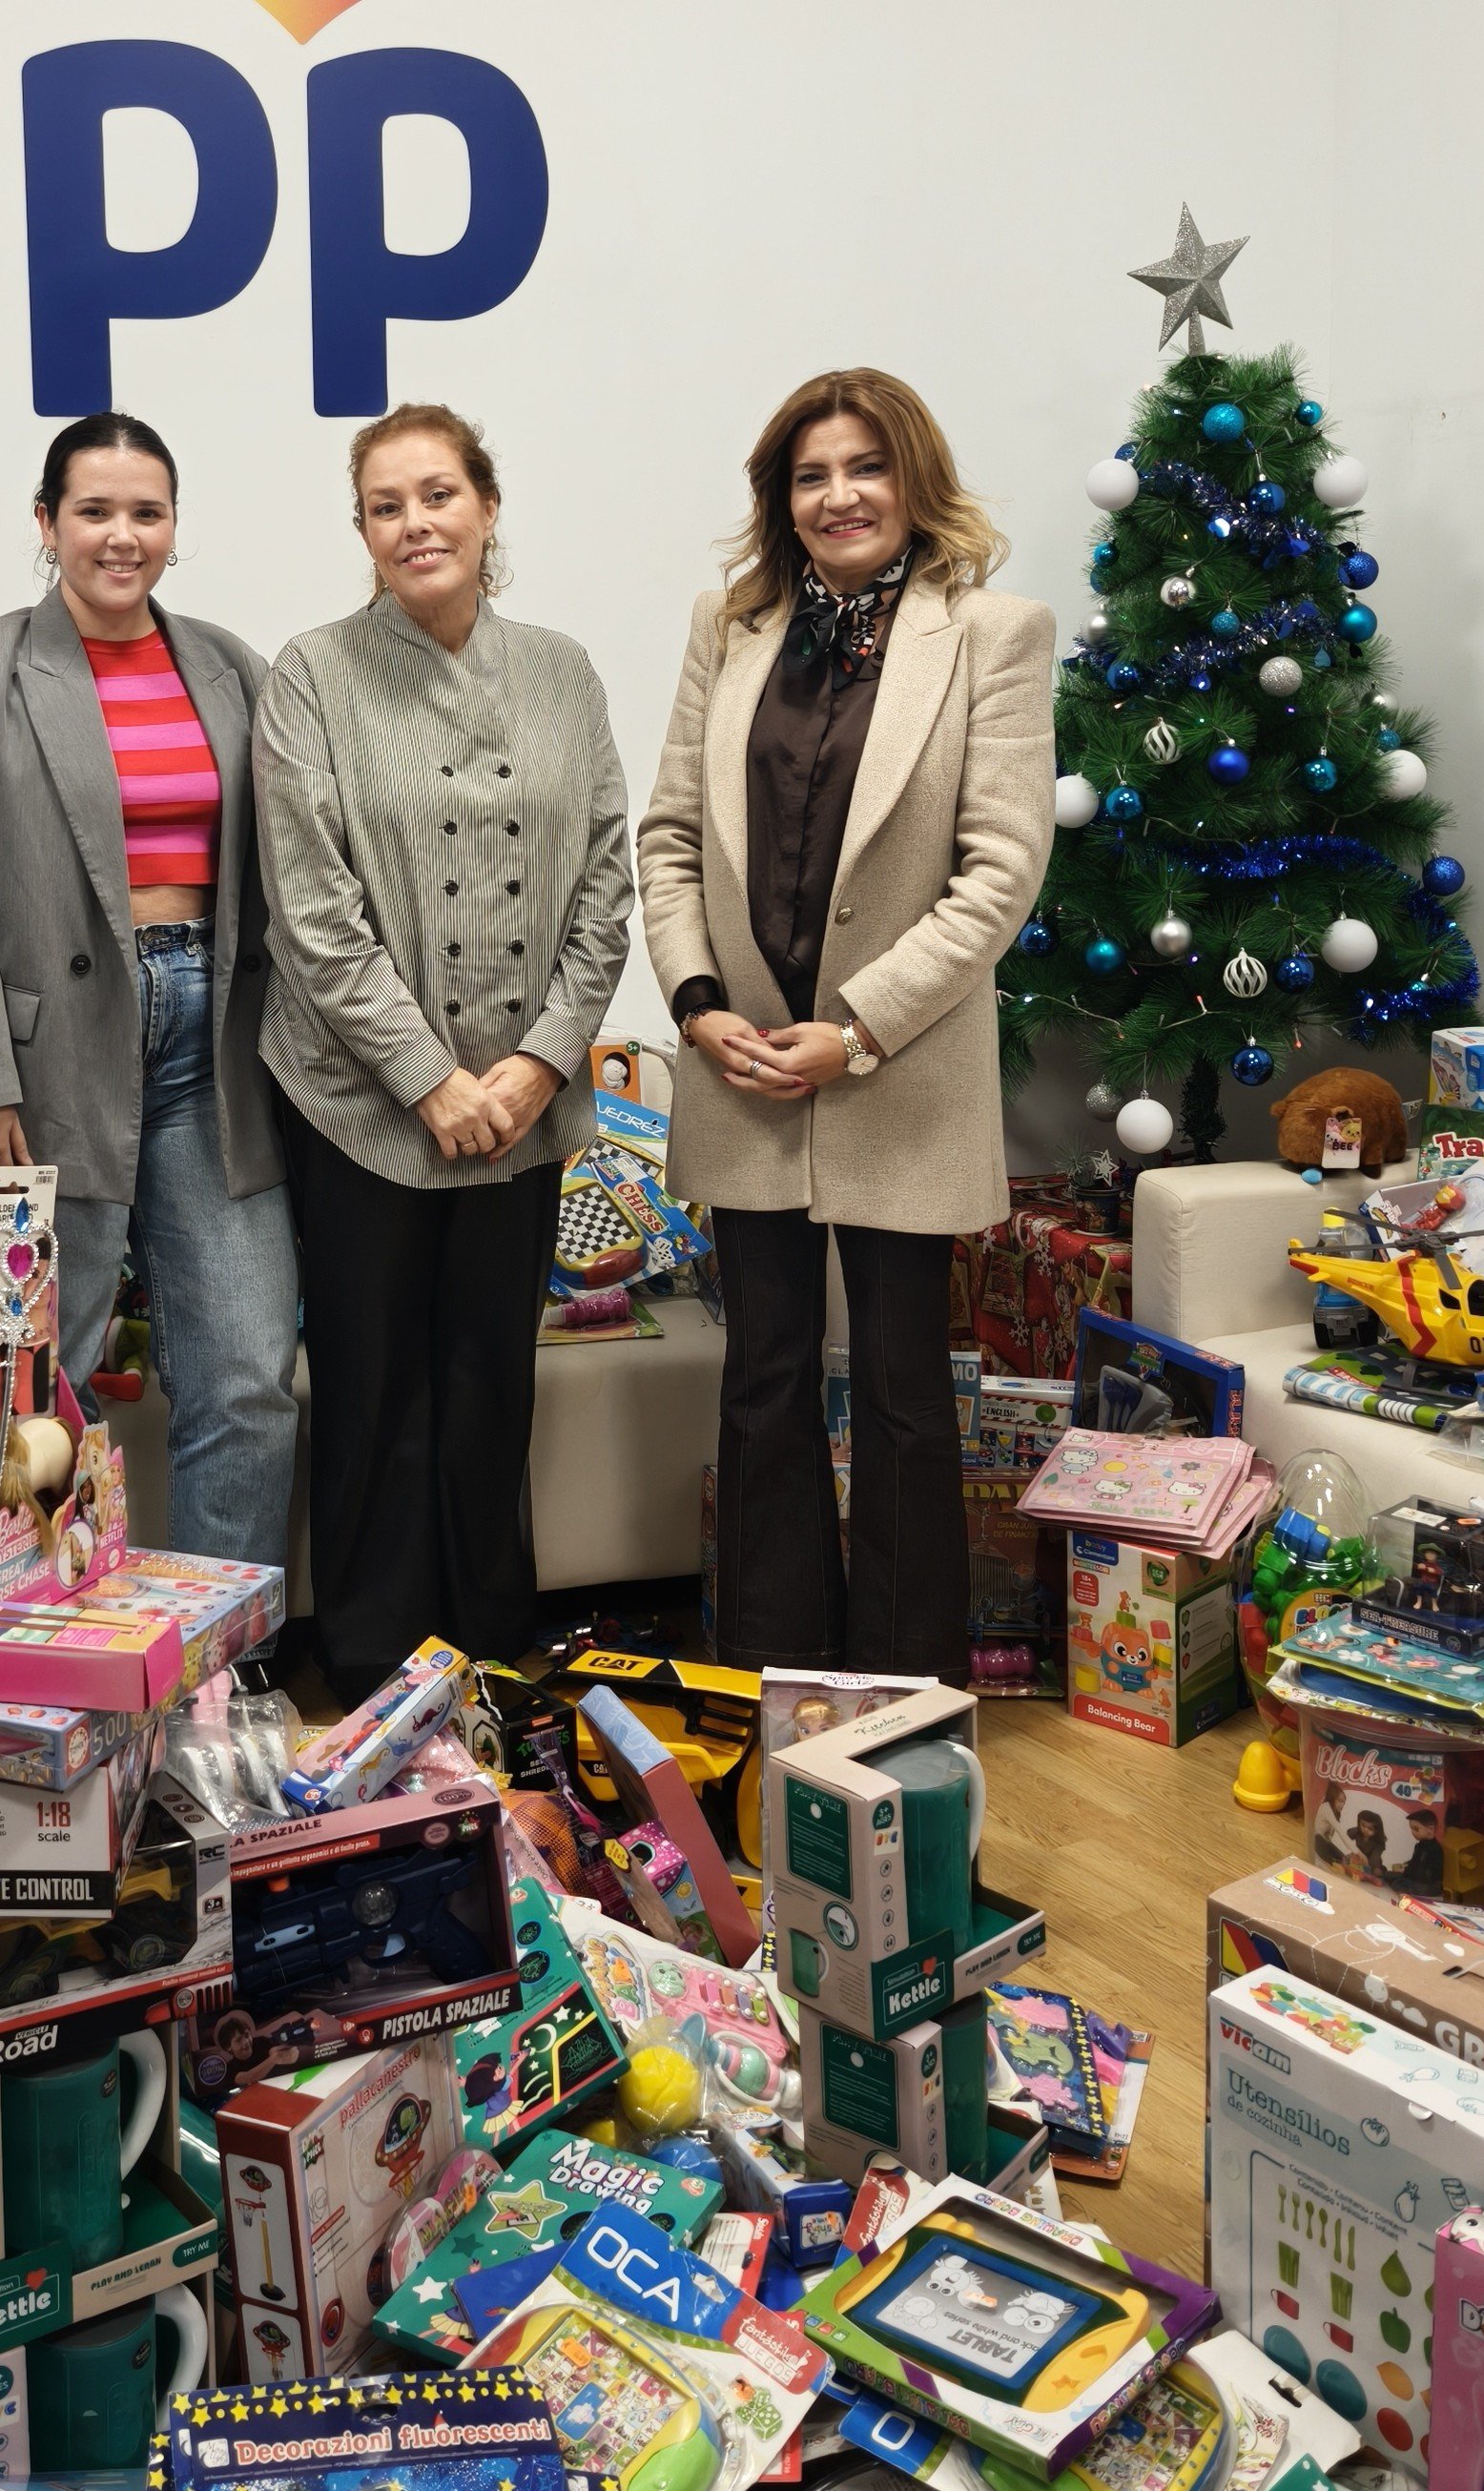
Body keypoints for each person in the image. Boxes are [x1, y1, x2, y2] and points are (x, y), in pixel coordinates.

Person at [639, 367, 1052, 1678]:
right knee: (759, 1383)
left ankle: (901, 1692)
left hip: (897, 1073)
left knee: (901, 1394)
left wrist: (859, 1029)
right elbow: (666, 837)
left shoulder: (994, 631)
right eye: (810, 475)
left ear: (914, 479)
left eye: (865, 467)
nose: (839, 496)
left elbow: (998, 872)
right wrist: (699, 1007)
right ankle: (770, 1675)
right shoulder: (731, 624)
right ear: (782, 498)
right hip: (743, 1063)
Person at [254, 403, 631, 1701]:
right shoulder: (309, 675)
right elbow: (312, 912)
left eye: (438, 495)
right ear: (361, 530)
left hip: (525, 1105)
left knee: (490, 1371)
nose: (416, 523)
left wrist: (536, 1066)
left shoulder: (565, 672)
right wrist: (429, 1078)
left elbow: (604, 886)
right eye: (385, 505)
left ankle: (490, 1629)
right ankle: (368, 1650)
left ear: (486, 505)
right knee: (368, 1381)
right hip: (364, 1105)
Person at [0, 411, 298, 1568]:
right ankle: (28, 1660)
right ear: (46, 522)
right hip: (44, 1060)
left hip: (212, 1046)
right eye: (95, 511)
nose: (123, 536)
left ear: (175, 527)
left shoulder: (229, 663)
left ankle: (226, 1660)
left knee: (248, 1376)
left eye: (147, 512)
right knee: (29, 1389)